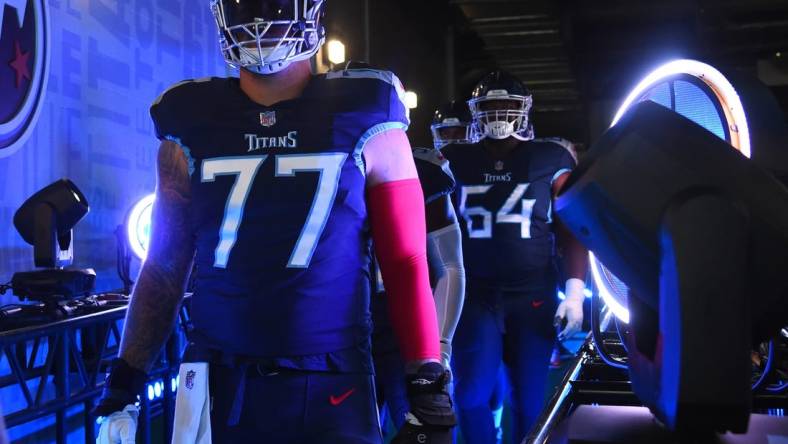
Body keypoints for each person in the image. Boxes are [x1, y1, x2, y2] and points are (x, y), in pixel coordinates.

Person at [93, 2, 455, 443]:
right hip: (218, 376)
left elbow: (405, 260)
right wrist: (125, 380)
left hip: (331, 376)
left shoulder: (368, 111)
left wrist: (427, 378)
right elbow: (165, 266)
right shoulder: (190, 118)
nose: (262, 20)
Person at [443, 71, 588, 444]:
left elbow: (572, 226)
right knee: (470, 394)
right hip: (474, 294)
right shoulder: (454, 158)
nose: (498, 115)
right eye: (490, 107)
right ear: (475, 113)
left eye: (507, 106)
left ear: (524, 110)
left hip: (532, 295)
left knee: (530, 401)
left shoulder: (549, 157)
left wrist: (573, 292)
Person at [372, 99, 469, 432]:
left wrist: (439, 346)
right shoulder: (317, 160)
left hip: (405, 321)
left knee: (422, 426)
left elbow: (450, 266)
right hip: (341, 327)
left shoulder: (424, 170)